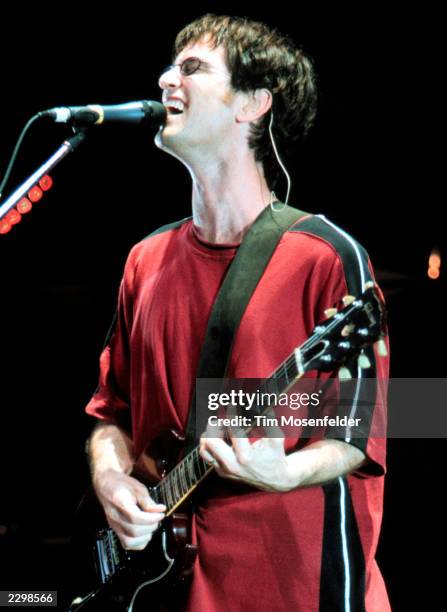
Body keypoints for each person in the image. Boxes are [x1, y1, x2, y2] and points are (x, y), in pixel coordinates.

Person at [85, 13, 390, 611]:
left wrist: (286, 469)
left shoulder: (325, 254)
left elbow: (386, 418)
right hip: (160, 590)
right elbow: (109, 416)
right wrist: (111, 480)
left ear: (253, 104)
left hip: (290, 591)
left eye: (193, 68)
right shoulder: (143, 261)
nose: (167, 79)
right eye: (170, 67)